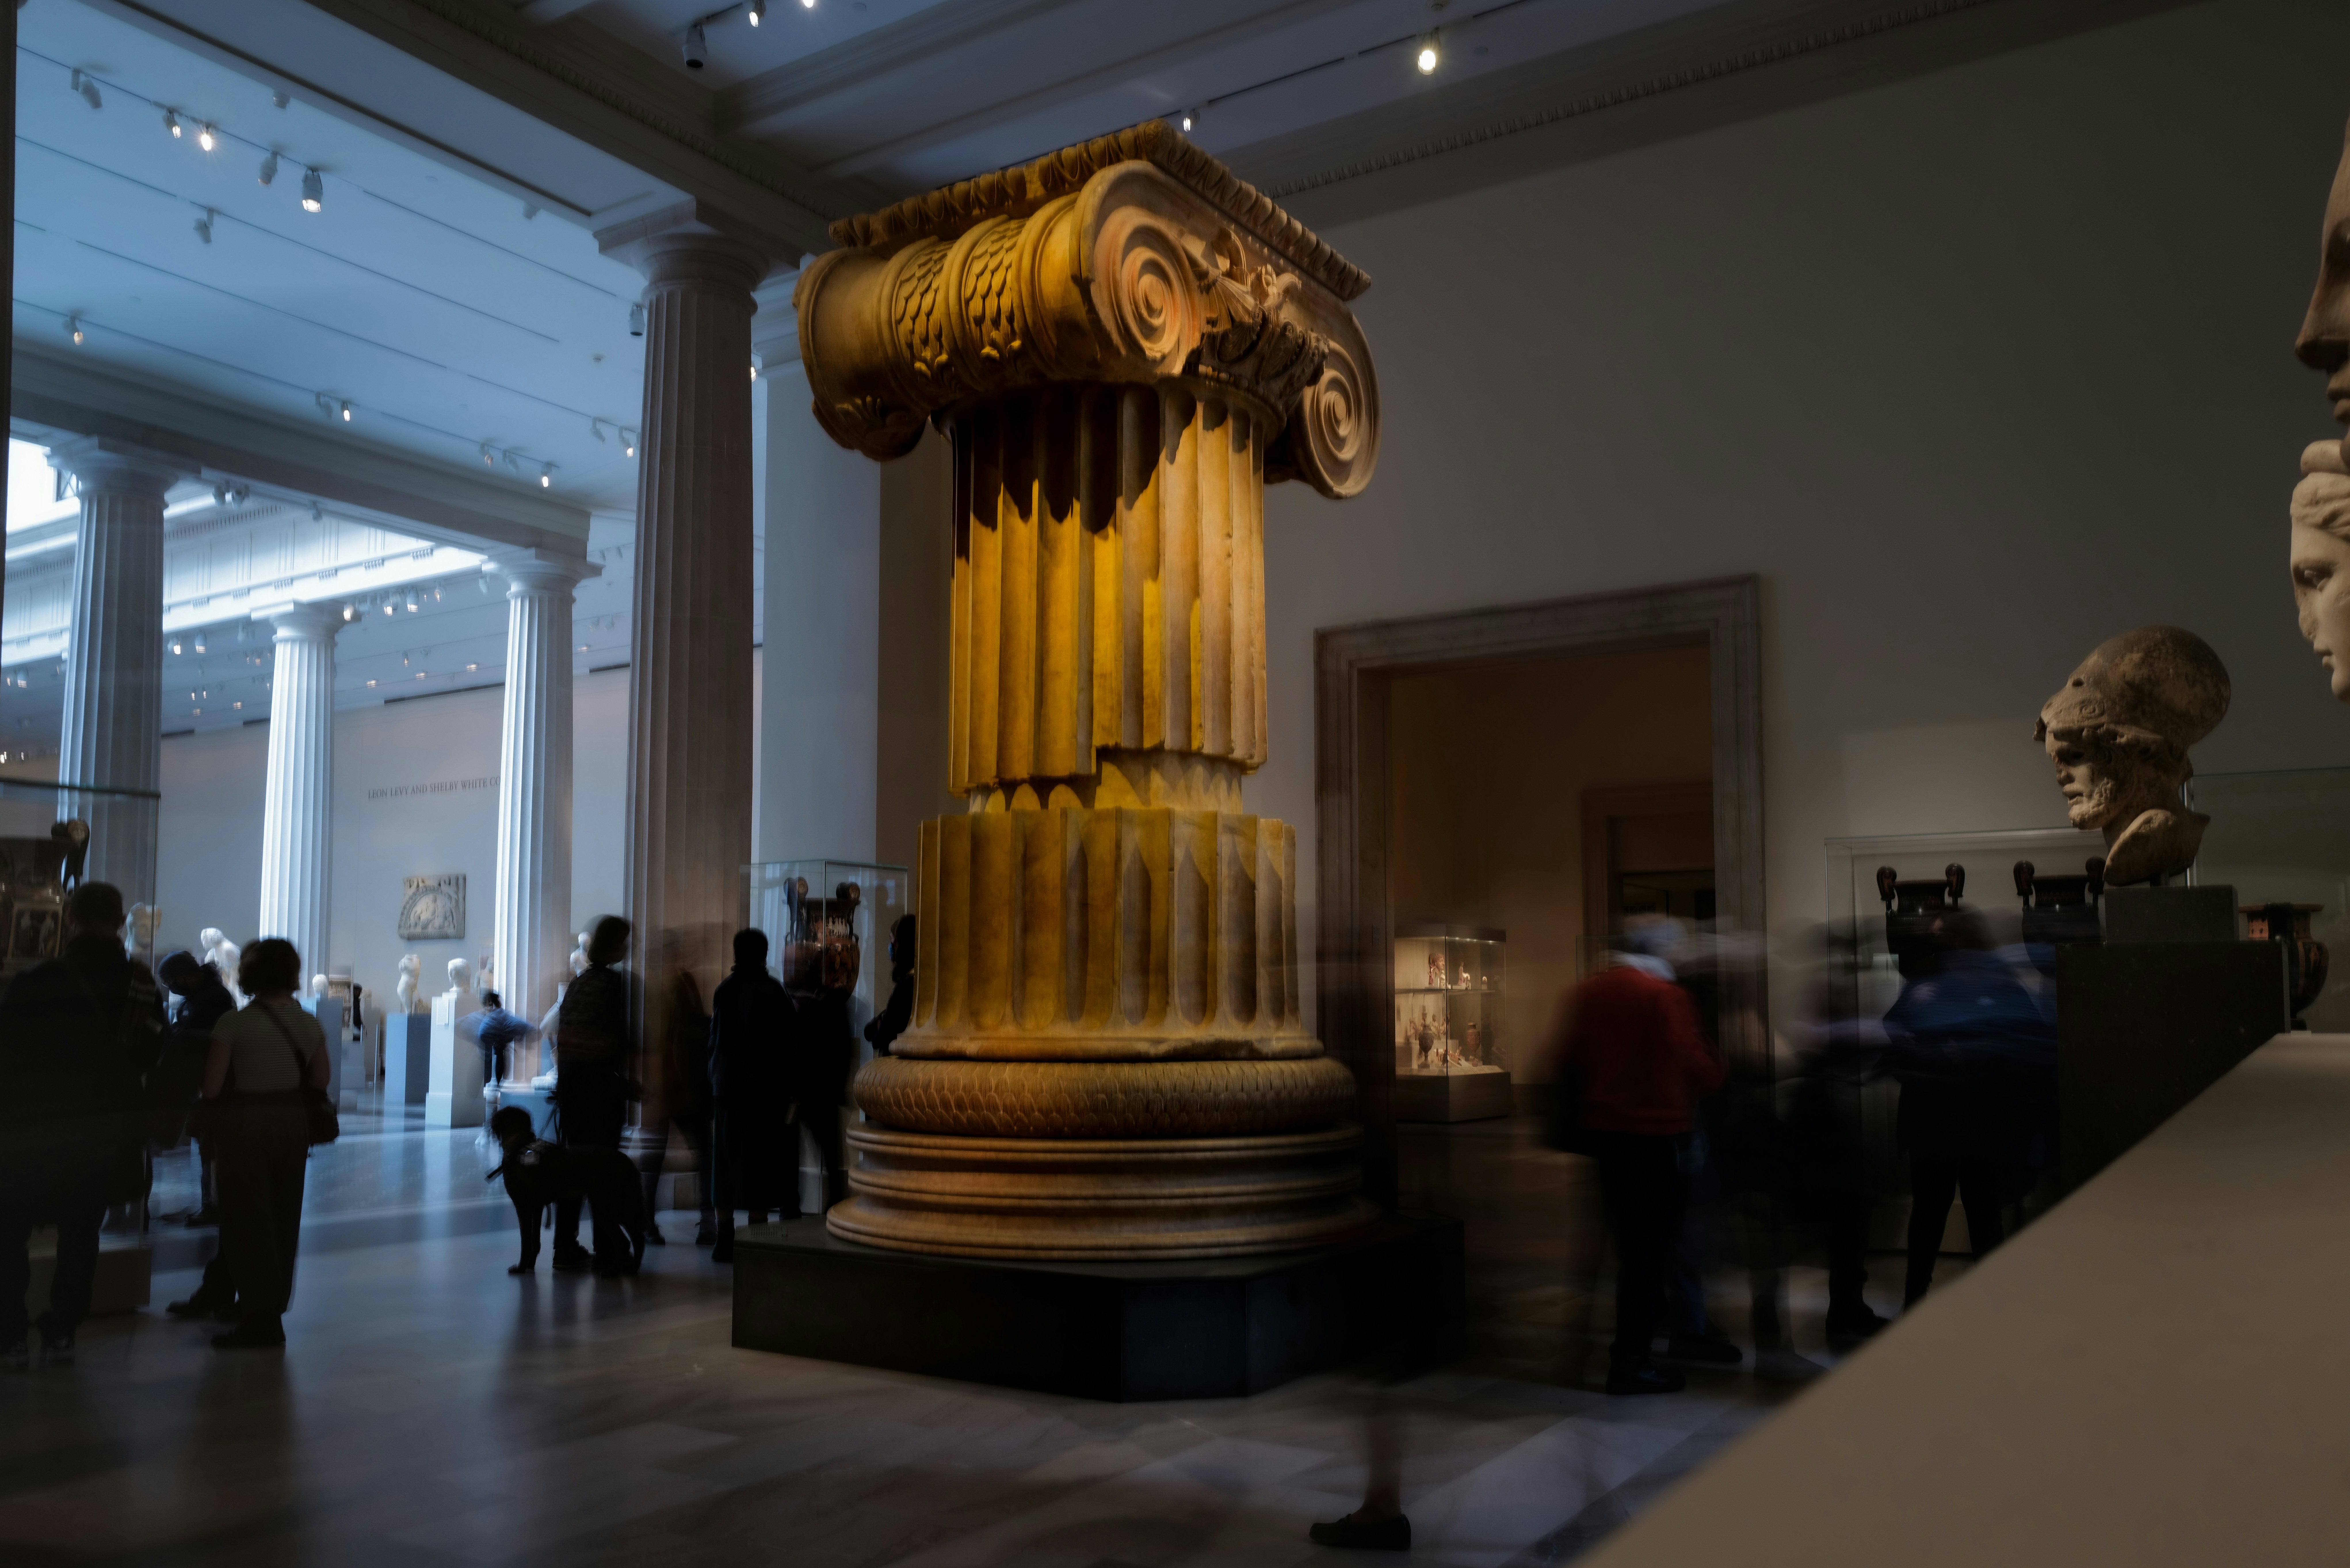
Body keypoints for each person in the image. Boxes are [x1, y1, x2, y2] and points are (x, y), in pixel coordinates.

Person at [1547, 916, 1724, 1396]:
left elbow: (1565, 1058)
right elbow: (1702, 1070)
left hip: (1604, 1137)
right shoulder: (1665, 997)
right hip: (1657, 1138)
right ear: (1663, 950)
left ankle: (1611, 1347)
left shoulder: (1588, 992)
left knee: (1623, 1247)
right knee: (1648, 1256)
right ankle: (1631, 1359)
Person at [0, 881, 167, 1369]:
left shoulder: (39, 979)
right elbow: (151, 1052)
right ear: (120, 921)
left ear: (70, 918)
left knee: (10, 1232)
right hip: (103, 1127)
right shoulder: (139, 984)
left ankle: (10, 1335)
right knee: (81, 1233)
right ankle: (62, 1333)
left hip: (34, 1125)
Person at [1883, 910, 2054, 1308]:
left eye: (1943, 939)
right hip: (1955, 1126)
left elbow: (2021, 1051)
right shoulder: (1953, 984)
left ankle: (1935, 1300)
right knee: (1949, 1218)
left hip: (1962, 1125)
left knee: (1964, 1218)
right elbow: (1894, 1036)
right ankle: (1948, 1301)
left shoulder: (1946, 985)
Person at [202, 937, 328, 1350]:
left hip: (245, 1124)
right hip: (292, 1125)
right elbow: (321, 1080)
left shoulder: (234, 1024)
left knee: (246, 1217)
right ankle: (269, 1306)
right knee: (283, 1214)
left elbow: (212, 1085)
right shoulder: (309, 1024)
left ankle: (260, 1315)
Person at [155, 951, 241, 1322]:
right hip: (206, 1086)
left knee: (212, 1150)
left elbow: (211, 1039)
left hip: (216, 1087)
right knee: (204, 1148)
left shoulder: (216, 999)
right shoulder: (205, 996)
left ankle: (214, 1201)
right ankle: (210, 1201)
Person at [549, 915, 633, 1272]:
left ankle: (565, 1246)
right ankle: (607, 1245)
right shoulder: (614, 985)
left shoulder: (580, 984)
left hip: (572, 1089)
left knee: (573, 1170)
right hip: (599, 1092)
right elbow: (618, 1039)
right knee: (602, 1169)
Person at [708, 929, 796, 1263]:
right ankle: (757, 1239)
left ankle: (724, 1239)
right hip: (764, 1095)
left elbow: (714, 1045)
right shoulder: (774, 992)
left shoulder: (724, 991)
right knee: (760, 1168)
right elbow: (787, 1048)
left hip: (727, 1091)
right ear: (765, 954)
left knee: (725, 1166)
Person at [864, 915, 916, 1056]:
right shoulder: (922, 982)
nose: (891, 947)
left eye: (893, 941)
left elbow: (880, 1038)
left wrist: (881, 1023)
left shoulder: (905, 987)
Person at [465, 990, 531, 1089]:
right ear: (496, 1002)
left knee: (487, 1075)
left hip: (490, 1051)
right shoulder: (499, 1015)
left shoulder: (484, 1016)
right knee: (491, 1072)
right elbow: (522, 1026)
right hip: (492, 1051)